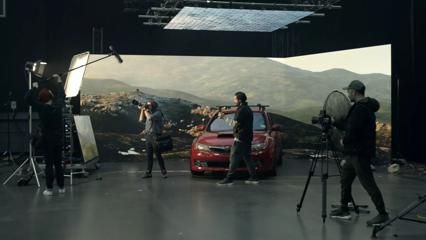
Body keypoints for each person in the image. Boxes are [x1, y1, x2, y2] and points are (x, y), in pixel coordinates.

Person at [330, 80, 389, 226]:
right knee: (345, 180)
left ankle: (383, 214)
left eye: (349, 91)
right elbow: (350, 125)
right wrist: (334, 122)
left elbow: (354, 131)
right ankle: (344, 208)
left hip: (359, 153)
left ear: (354, 92)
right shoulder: (359, 108)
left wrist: (345, 141)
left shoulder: (360, 109)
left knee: (368, 184)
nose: (347, 93)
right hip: (353, 153)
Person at [25, 74, 65, 196]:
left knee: (49, 164)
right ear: (51, 96)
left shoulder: (41, 108)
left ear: (41, 99)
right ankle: (61, 187)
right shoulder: (58, 106)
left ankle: (49, 189)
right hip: (58, 139)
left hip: (47, 139)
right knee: (58, 164)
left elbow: (27, 99)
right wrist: (59, 82)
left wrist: (34, 88)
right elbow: (61, 95)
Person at [217, 92, 258, 185]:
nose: (233, 101)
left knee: (234, 158)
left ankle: (229, 178)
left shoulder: (241, 110)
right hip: (247, 137)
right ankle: (254, 176)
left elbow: (234, 124)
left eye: (235, 99)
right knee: (247, 157)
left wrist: (223, 117)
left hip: (241, 138)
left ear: (239, 100)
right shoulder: (247, 109)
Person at [139, 99, 167, 178]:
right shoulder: (148, 112)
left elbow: (149, 118)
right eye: (148, 105)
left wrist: (145, 110)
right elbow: (141, 120)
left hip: (155, 136)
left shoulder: (158, 113)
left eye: (149, 105)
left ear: (154, 106)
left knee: (158, 154)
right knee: (149, 155)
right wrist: (142, 110)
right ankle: (148, 173)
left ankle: (163, 171)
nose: (148, 107)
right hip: (148, 136)